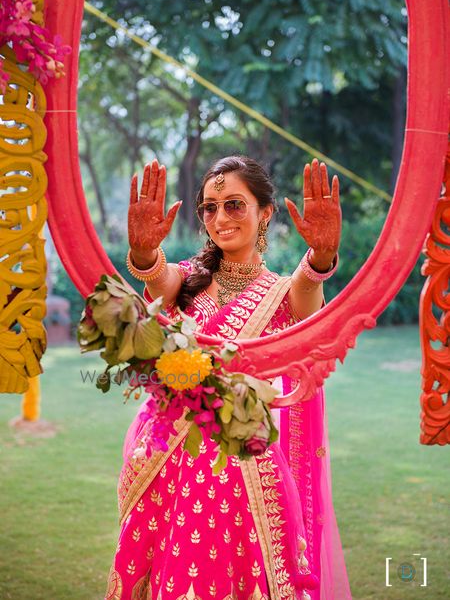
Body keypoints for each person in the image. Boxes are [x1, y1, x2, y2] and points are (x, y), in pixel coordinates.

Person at [105, 155, 352, 600]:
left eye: (235, 204)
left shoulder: (281, 293)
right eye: (210, 207)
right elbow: (156, 277)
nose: (220, 217)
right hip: (172, 466)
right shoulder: (186, 281)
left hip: (245, 472)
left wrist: (321, 256)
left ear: (265, 212)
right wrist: (143, 250)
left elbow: (307, 295)